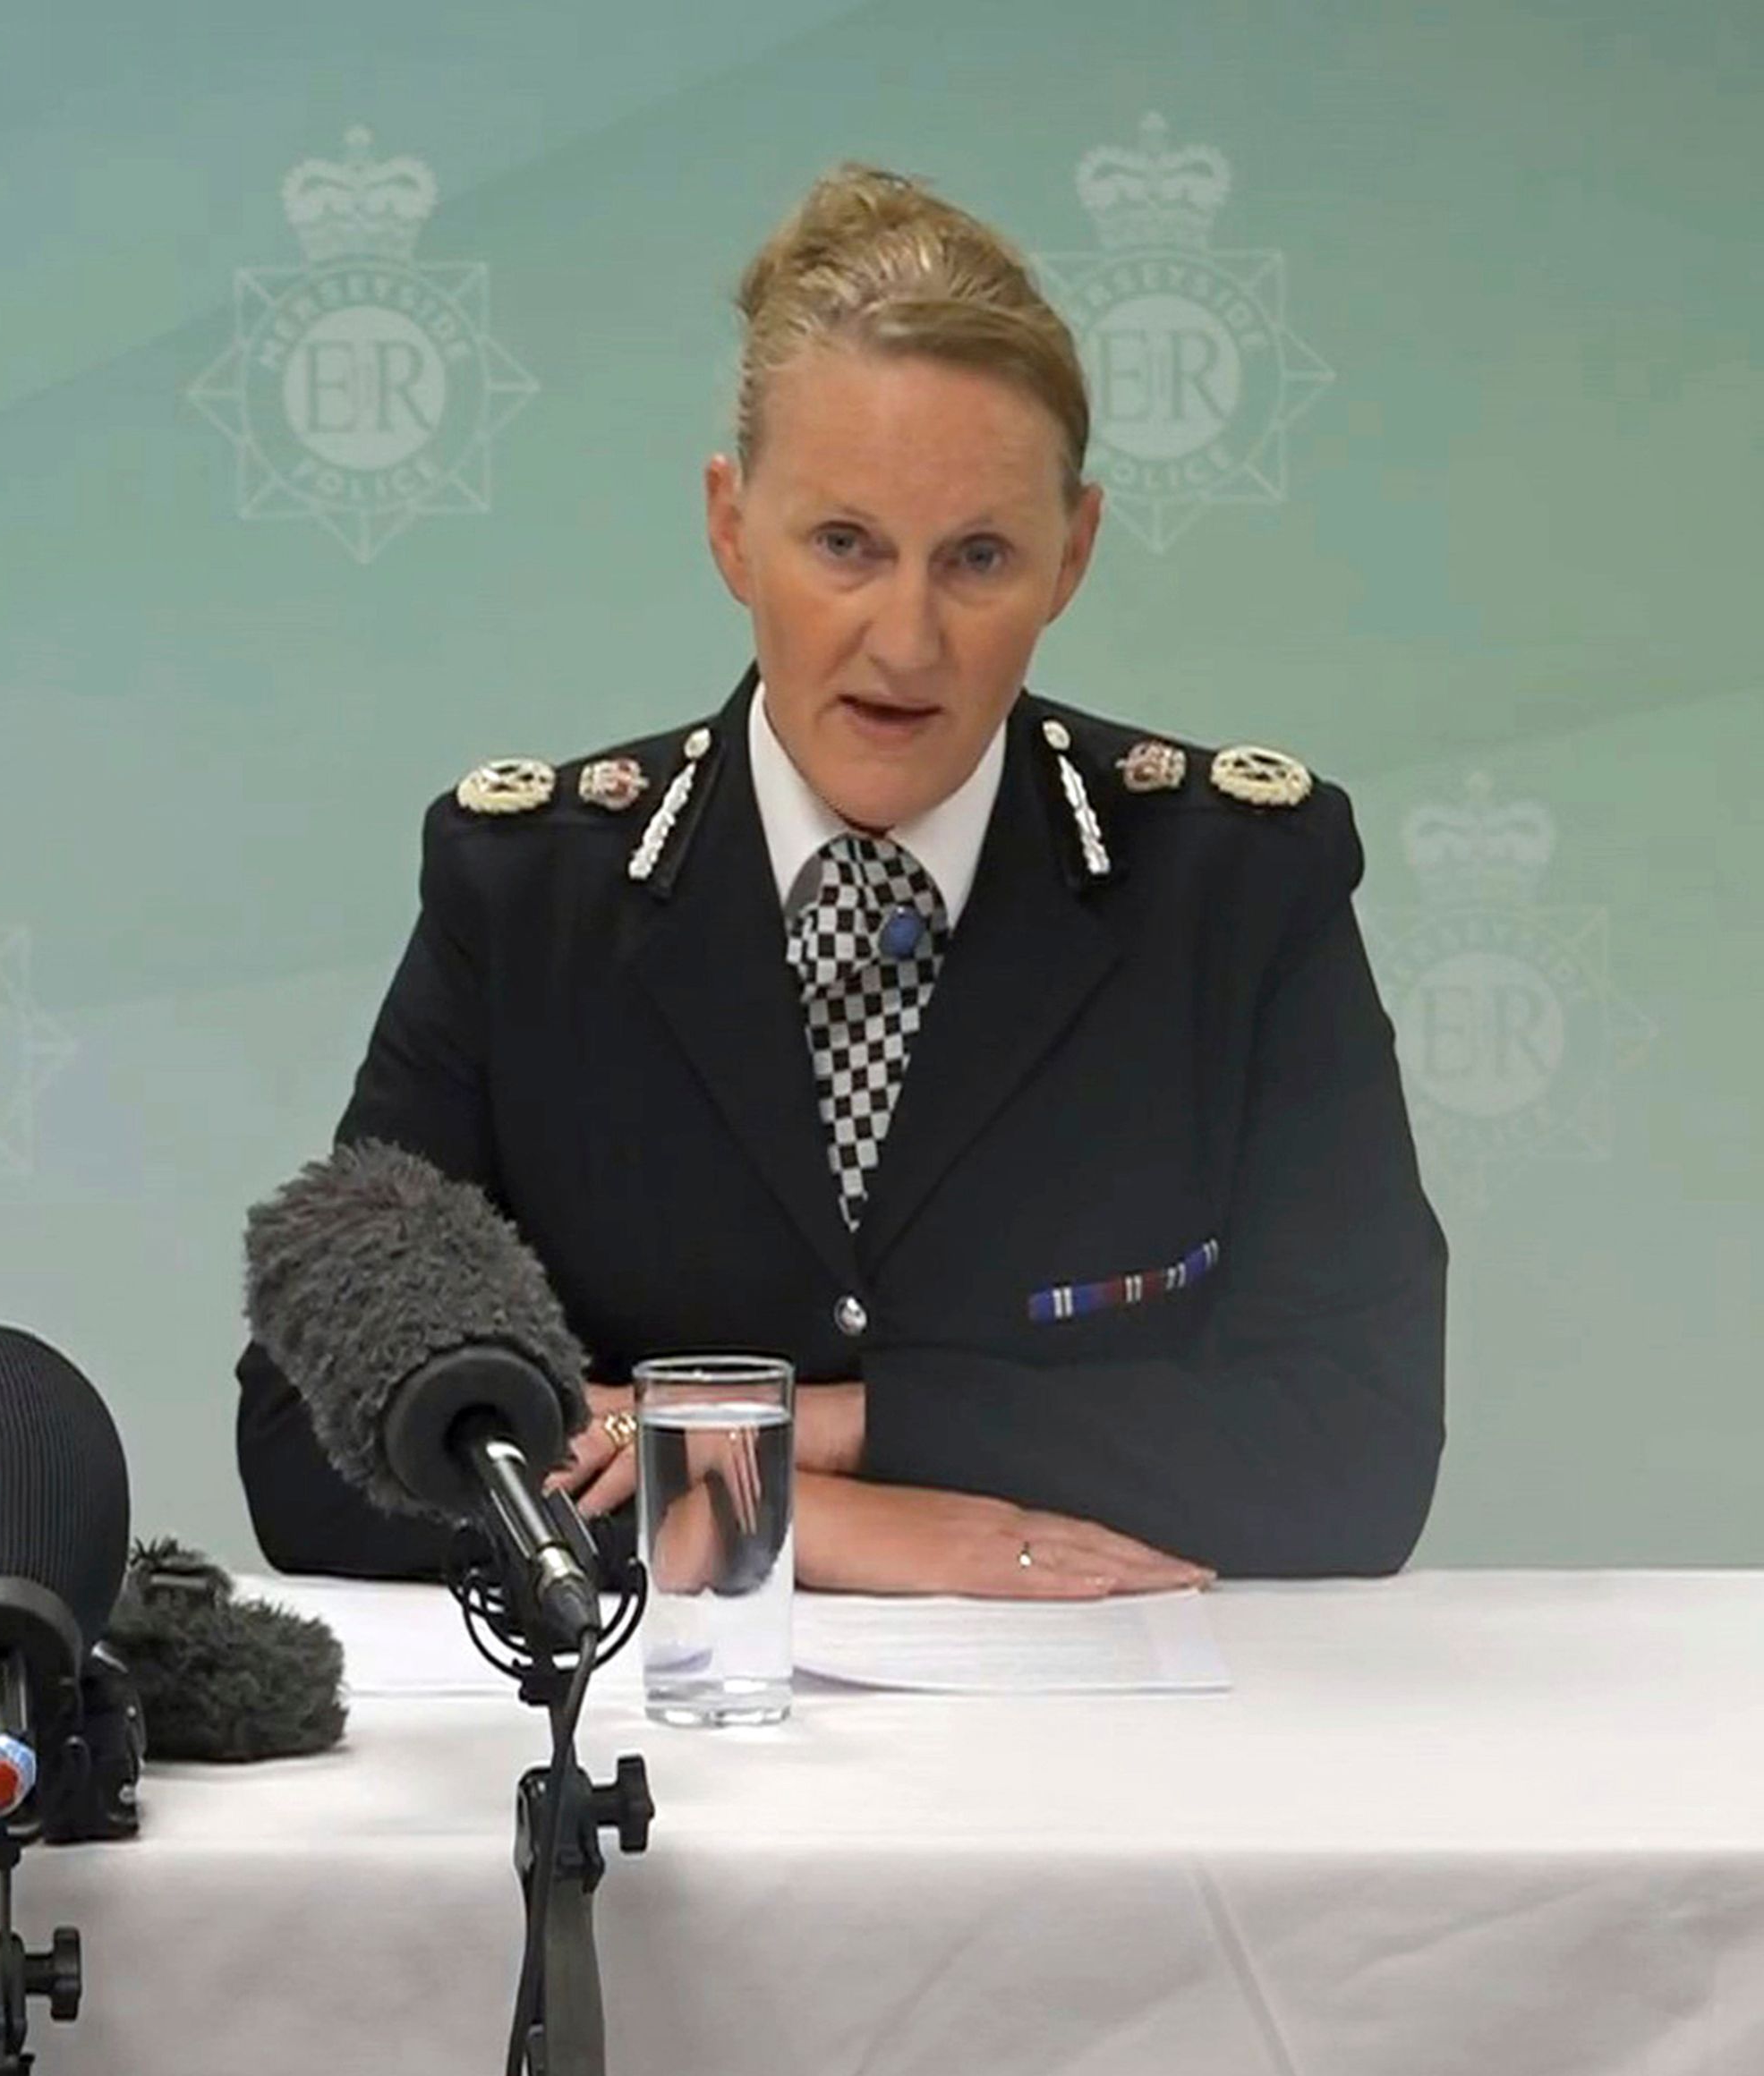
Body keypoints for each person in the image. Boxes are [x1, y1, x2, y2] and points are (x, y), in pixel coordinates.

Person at [236, 166, 1445, 1593]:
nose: (907, 640)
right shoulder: (529, 900)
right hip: (666, 1749)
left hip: (1115, 1772)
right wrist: (791, 1519)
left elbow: (1355, 1454)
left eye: (980, 556)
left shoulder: (1238, 893)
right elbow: (313, 1451)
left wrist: (843, 1436)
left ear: (1076, 554)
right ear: (731, 528)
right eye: (844, 546)